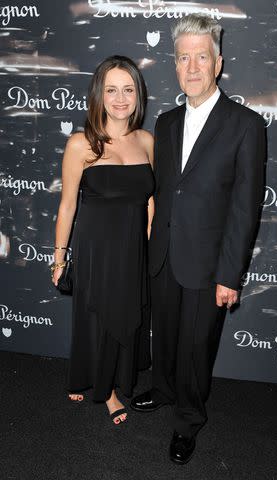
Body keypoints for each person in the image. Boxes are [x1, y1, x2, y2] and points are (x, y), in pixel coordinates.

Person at [131, 14, 266, 463]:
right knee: (164, 336)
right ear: (175, 64)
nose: (192, 67)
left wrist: (230, 274)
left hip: (208, 264)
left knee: (195, 348)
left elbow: (245, 209)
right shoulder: (166, 123)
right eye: (183, 57)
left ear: (218, 62)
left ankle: (188, 421)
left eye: (201, 57)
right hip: (164, 255)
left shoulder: (246, 124)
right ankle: (165, 390)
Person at [52, 56, 154, 425]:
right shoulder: (82, 143)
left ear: (138, 95)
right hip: (95, 248)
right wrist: (60, 259)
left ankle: (97, 376)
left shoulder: (146, 141)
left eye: (128, 89)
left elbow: (151, 200)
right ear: (99, 94)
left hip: (132, 250)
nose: (120, 98)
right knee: (97, 317)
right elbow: (67, 207)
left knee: (127, 313)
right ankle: (106, 391)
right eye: (111, 89)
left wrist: (149, 249)